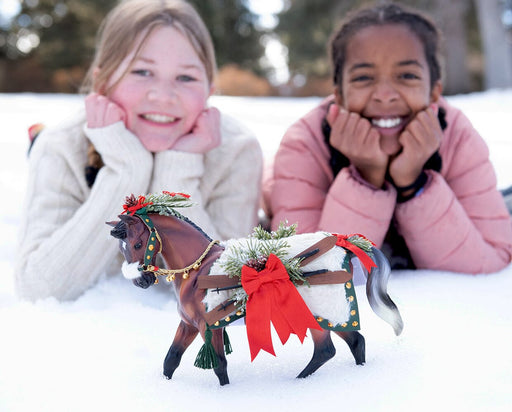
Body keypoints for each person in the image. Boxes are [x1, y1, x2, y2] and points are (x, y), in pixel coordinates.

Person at [15, 0, 262, 301]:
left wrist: (178, 171)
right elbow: (38, 289)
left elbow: (228, 292)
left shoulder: (236, 151)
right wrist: (125, 170)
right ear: (103, 82)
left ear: (210, 90)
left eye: (186, 78)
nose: (163, 96)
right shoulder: (62, 145)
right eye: (142, 71)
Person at [264, 2, 512, 274]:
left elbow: (492, 258)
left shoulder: (456, 135)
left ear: (433, 93)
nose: (384, 94)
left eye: (407, 75)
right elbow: (303, 273)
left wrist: (414, 184)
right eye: (363, 78)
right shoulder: (304, 144)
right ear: (340, 94)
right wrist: (365, 178)